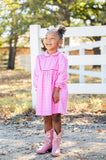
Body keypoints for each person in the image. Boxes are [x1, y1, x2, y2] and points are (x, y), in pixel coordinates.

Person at [33, 25, 68, 156]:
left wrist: (57, 90)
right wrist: (39, 89)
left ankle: (56, 144)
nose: (48, 40)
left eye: (52, 38)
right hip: (43, 91)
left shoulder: (61, 57)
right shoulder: (39, 58)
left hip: (56, 90)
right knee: (46, 117)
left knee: (56, 117)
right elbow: (36, 75)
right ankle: (48, 143)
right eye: (46, 38)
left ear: (59, 42)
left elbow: (62, 74)